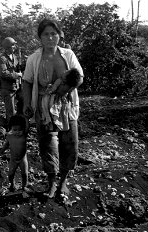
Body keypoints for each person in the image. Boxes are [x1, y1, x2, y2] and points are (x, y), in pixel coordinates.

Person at [23, 19, 84, 199]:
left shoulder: (68, 54)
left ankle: (63, 180)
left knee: (70, 143)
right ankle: (51, 182)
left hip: (66, 105)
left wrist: (64, 90)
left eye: (53, 34)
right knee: (47, 144)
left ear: (59, 35)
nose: (50, 38)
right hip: (43, 105)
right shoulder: (34, 58)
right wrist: (27, 103)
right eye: (46, 34)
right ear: (40, 38)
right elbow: (27, 81)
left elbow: (79, 77)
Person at [0, 114, 29, 192]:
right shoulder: (10, 136)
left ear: (23, 129)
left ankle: (24, 186)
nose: (17, 132)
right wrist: (2, 150)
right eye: (15, 130)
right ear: (11, 129)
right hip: (13, 159)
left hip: (22, 159)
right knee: (11, 174)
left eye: (20, 130)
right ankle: (12, 185)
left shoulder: (23, 136)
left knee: (25, 174)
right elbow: (7, 144)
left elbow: (26, 126)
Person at [0, 37, 23, 124]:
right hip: (8, 89)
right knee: (11, 112)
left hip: (17, 87)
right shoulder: (2, 58)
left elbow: (18, 68)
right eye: (13, 45)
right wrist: (17, 75)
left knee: (21, 107)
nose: (15, 47)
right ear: (8, 47)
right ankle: (10, 129)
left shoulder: (15, 57)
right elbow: (3, 73)